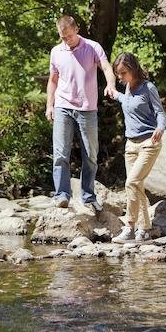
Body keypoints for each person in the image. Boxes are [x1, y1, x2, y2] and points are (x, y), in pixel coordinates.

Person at [46, 15, 116, 210]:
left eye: (68, 36)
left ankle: (88, 196)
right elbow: (53, 80)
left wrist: (110, 84)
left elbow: (106, 67)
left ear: (76, 29)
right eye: (62, 37)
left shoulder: (93, 47)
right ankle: (61, 195)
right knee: (60, 153)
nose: (66, 40)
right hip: (63, 107)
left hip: (87, 109)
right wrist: (49, 105)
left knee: (90, 154)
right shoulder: (56, 52)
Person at [106, 52, 166, 243]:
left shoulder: (148, 87)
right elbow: (126, 101)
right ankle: (144, 230)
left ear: (133, 69)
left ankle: (130, 226)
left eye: (123, 73)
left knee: (131, 183)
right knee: (136, 185)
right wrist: (115, 94)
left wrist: (160, 128)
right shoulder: (128, 90)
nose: (121, 77)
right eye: (118, 74)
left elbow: (160, 112)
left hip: (149, 143)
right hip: (131, 145)